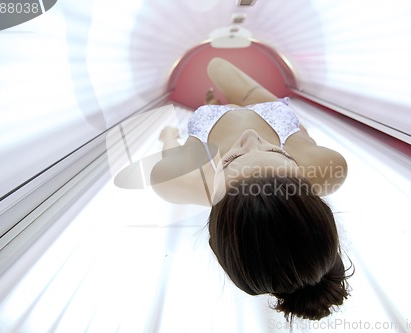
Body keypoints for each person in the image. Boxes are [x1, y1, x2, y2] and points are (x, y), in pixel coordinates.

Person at [151, 57, 352, 321]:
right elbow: (301, 132)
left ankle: (213, 107)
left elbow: (170, 152)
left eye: (232, 160)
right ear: (308, 187)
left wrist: (167, 136)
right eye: (275, 151)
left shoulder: (175, 181)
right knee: (215, 66)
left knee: (213, 65)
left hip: (208, 127)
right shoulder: (326, 167)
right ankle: (215, 107)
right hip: (270, 113)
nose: (249, 137)